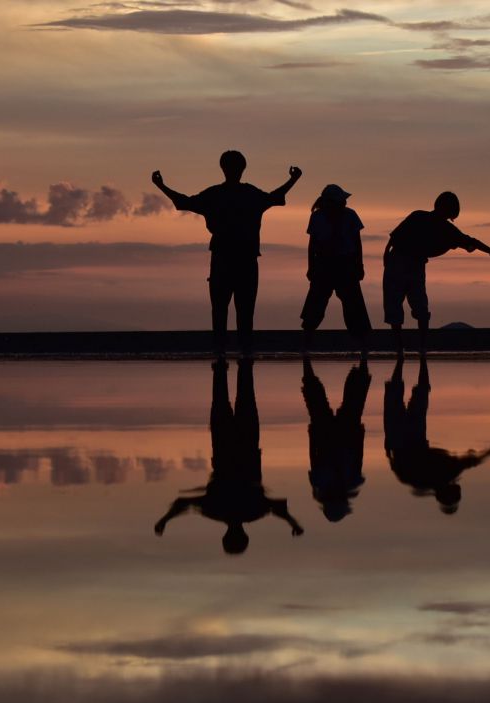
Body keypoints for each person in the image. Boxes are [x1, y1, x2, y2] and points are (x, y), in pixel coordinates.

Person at [152, 151, 302, 358]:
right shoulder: (250, 194)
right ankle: (244, 349)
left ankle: (221, 349)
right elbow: (274, 196)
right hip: (245, 259)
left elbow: (184, 202)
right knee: (245, 309)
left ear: (223, 168)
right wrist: (293, 180)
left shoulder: (215, 195)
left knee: (220, 309)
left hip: (223, 258)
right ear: (243, 168)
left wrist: (161, 186)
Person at [154, 360, 302, 554]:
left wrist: (293, 522)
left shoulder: (250, 511)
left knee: (244, 397)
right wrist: (164, 520)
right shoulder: (217, 511)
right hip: (226, 449)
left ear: (245, 536)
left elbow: (278, 507)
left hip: (245, 449)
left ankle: (240, 362)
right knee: (222, 399)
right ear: (225, 536)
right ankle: (224, 362)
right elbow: (184, 502)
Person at [382, 192, 490, 357]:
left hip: (407, 264)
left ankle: (412, 348)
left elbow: (470, 241)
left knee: (410, 307)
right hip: (402, 263)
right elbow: (394, 238)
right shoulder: (428, 221)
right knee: (408, 307)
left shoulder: (436, 224)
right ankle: (411, 348)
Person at [384, 357, 490, 514]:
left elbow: (472, 461)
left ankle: (417, 358)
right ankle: (405, 358)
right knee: (402, 394)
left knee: (416, 393)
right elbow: (472, 461)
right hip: (401, 440)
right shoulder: (422, 484)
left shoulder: (445, 473)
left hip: (409, 438)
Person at [301, 184, 371, 358]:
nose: (344, 203)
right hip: (324, 264)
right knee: (315, 304)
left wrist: (359, 265)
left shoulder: (350, 215)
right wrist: (311, 266)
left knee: (354, 305)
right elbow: (312, 244)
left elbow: (357, 243)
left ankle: (362, 344)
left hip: (346, 264)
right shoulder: (317, 217)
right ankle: (306, 342)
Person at [303, 359, 370, 523]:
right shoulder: (350, 481)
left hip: (326, 438)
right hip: (344, 437)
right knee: (353, 400)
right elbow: (358, 456)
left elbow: (313, 456)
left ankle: (307, 362)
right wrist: (360, 436)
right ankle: (363, 361)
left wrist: (312, 435)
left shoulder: (321, 482)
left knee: (317, 400)